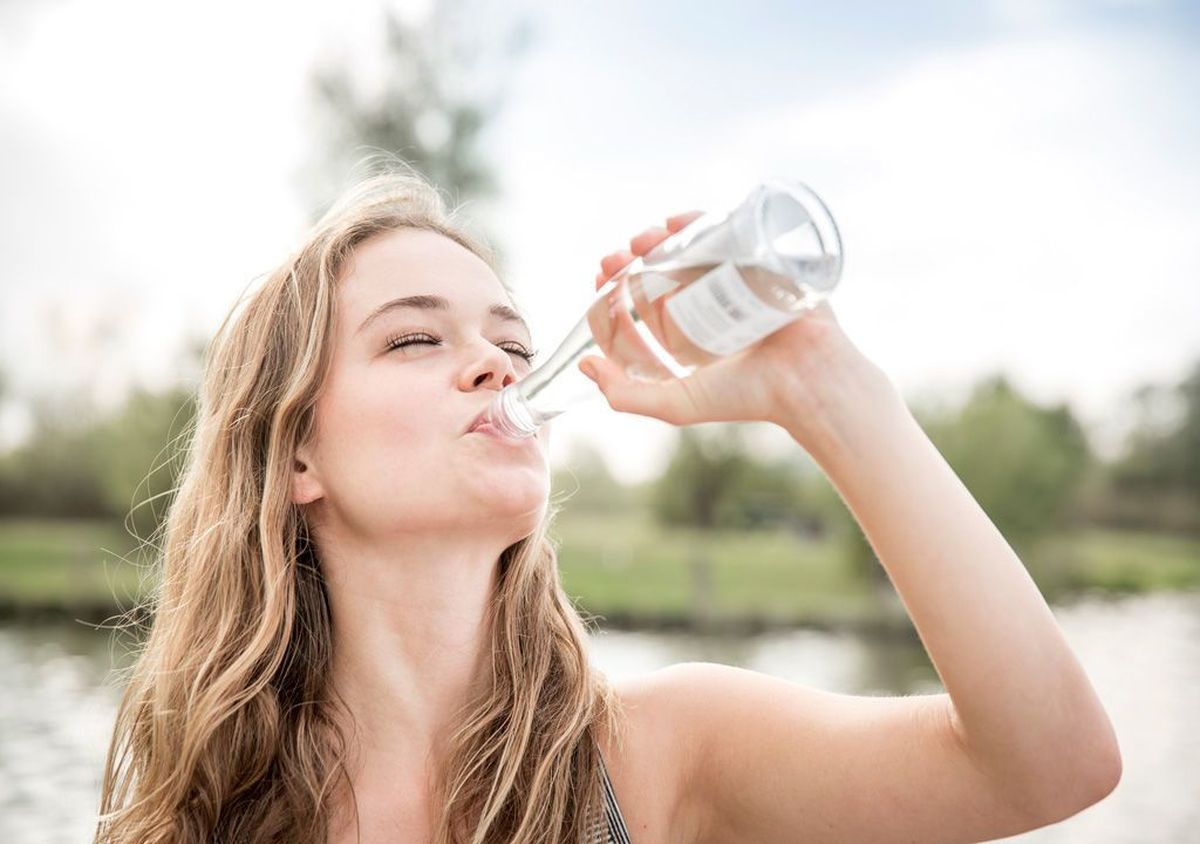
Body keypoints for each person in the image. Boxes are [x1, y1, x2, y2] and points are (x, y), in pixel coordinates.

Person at [95, 162, 1121, 844]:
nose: (493, 367)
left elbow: (1050, 764)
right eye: (416, 337)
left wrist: (826, 392)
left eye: (512, 344)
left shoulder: (652, 755)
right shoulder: (199, 811)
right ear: (296, 456)